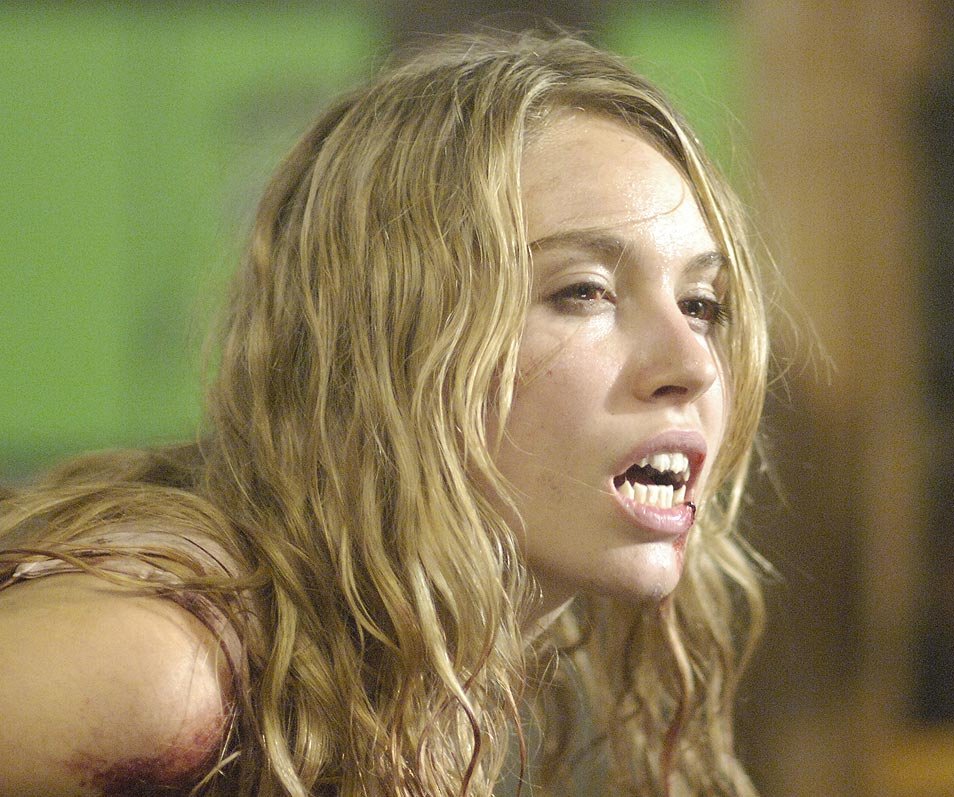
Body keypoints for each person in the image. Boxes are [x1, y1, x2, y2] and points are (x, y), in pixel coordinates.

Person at [0, 30, 770, 797]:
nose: (693, 364)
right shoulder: (169, 664)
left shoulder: (404, 669)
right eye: (583, 291)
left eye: (701, 304)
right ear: (391, 339)